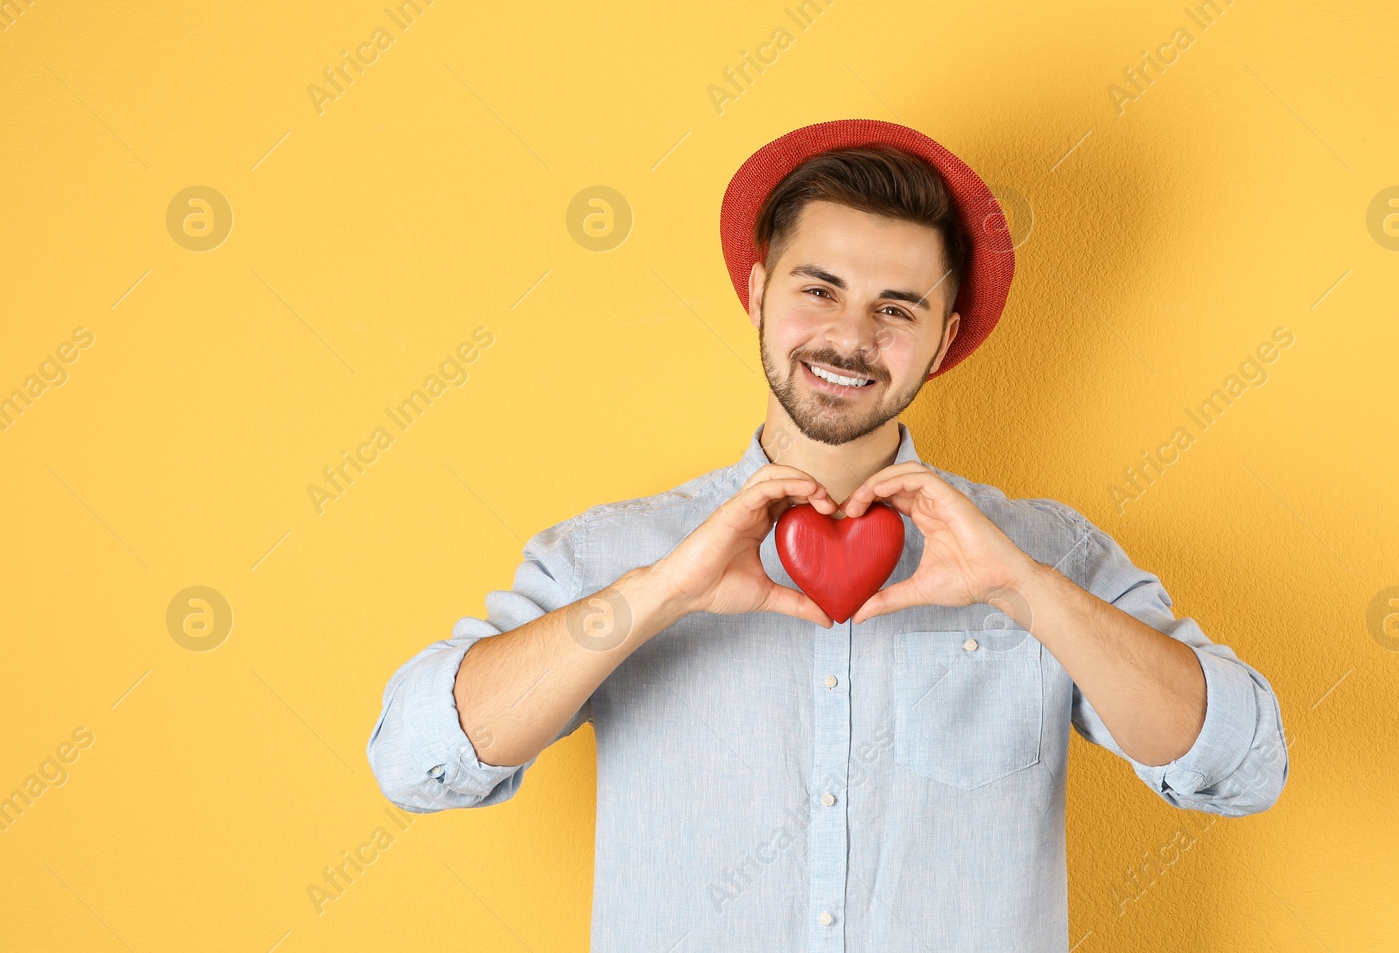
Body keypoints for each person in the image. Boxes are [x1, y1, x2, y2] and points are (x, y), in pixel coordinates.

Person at [367, 118, 1289, 950]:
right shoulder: (610, 555)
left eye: (898, 307)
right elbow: (416, 761)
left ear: (944, 337)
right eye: (821, 288)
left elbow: (1244, 769)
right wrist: (661, 596)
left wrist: (1026, 592)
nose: (850, 336)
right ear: (762, 291)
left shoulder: (1052, 554)